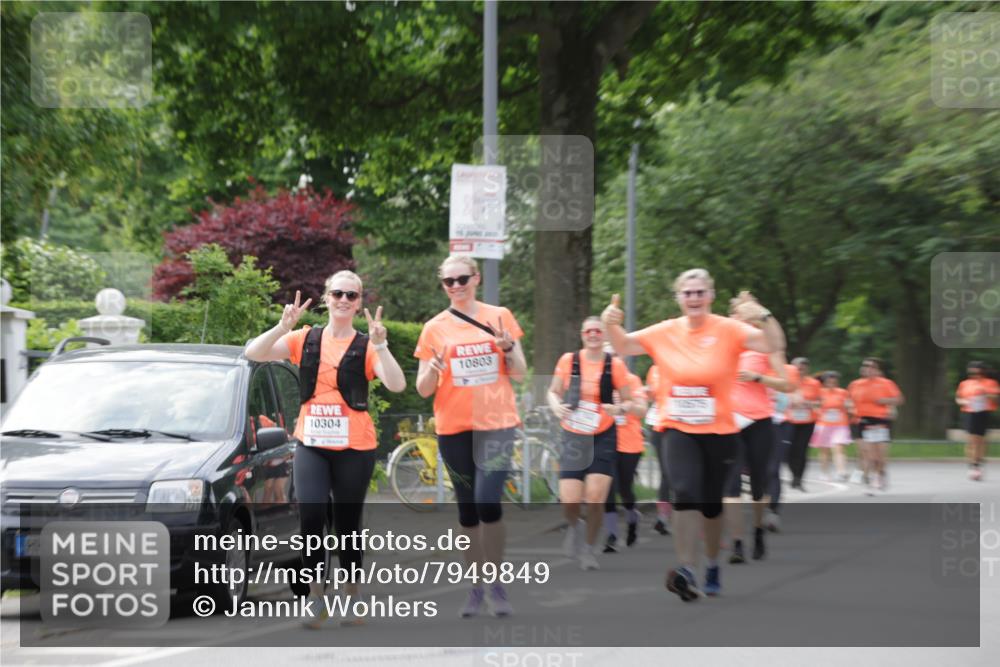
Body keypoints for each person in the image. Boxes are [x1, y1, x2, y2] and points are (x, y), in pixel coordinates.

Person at [603, 269, 786, 600]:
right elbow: (623, 344)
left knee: (712, 506)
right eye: (687, 293)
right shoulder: (665, 330)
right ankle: (686, 568)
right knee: (685, 492)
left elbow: (774, 343)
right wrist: (610, 323)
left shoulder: (729, 329)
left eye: (700, 292)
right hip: (677, 427)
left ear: (711, 296)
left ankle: (712, 563)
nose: (694, 298)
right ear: (679, 298)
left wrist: (763, 314)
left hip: (719, 430)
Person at [245, 271, 406, 628]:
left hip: (355, 447)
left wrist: (381, 346)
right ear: (327, 298)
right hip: (312, 445)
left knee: (346, 525)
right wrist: (282, 326)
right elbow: (253, 353)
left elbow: (397, 384)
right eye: (338, 293)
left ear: (359, 302)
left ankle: (352, 595)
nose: (344, 300)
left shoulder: (366, 346)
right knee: (311, 517)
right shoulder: (305, 339)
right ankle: (317, 597)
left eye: (352, 295)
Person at [414, 255, 527, 617]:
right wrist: (432, 370)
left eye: (462, 278)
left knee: (487, 502)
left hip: (497, 423)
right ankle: (477, 585)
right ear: (443, 285)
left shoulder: (499, 316)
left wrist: (507, 350)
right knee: (467, 511)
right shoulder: (434, 328)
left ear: (476, 278)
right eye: (449, 281)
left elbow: (520, 372)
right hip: (454, 427)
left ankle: (496, 583)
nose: (456, 286)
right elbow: (422, 389)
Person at [547, 318, 634, 570]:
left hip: (603, 434)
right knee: (570, 500)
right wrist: (556, 406)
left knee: (596, 497)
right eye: (589, 331)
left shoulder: (614, 365)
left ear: (604, 334)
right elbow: (553, 391)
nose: (593, 334)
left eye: (598, 331)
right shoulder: (569, 360)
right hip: (574, 434)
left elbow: (628, 400)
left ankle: (587, 549)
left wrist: (619, 408)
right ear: (582, 334)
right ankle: (575, 526)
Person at [724, 303, 793, 563]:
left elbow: (787, 384)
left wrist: (757, 377)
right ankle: (737, 544)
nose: (735, 318)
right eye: (733, 314)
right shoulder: (720, 345)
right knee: (730, 484)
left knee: (758, 485)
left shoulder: (764, 346)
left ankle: (758, 531)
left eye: (740, 314)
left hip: (758, 421)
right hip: (728, 422)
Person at [600, 344, 649, 553]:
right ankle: (611, 535)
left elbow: (642, 411)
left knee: (625, 489)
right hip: (604, 441)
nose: (611, 359)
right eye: (607, 356)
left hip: (629, 443)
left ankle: (632, 518)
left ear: (623, 358)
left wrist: (623, 406)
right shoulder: (596, 381)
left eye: (615, 355)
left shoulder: (632, 380)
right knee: (608, 489)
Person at [849, 357, 904, 493]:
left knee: (880, 457)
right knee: (868, 455)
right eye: (865, 366)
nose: (868, 369)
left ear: (877, 370)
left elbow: (899, 399)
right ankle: (870, 480)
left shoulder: (886, 383)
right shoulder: (855, 384)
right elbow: (848, 401)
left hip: (881, 421)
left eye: (872, 367)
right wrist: (849, 407)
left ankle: (881, 473)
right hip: (863, 421)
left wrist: (885, 401)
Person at [764, 361, 800, 533]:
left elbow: (797, 395)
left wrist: (790, 396)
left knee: (773, 469)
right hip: (754, 423)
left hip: (781, 423)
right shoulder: (750, 364)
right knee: (759, 470)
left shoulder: (789, 370)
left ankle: (773, 512)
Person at [956, 361, 999, 481]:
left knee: (981, 440)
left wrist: (985, 393)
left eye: (977, 373)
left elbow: (996, 399)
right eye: (972, 373)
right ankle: (973, 466)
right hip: (969, 412)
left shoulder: (990, 383)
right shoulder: (964, 384)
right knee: (972, 440)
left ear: (983, 372)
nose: (975, 376)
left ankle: (978, 463)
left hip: (983, 412)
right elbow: (959, 399)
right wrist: (964, 402)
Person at [784, 357, 821, 491]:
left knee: (802, 450)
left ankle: (798, 478)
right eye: (798, 368)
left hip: (807, 421)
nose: (800, 370)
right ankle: (794, 473)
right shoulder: (785, 381)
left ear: (807, 369)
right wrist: (790, 402)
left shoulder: (814, 383)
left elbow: (819, 402)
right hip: (789, 421)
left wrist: (808, 403)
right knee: (788, 450)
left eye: (803, 367)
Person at [810, 371, 854, 481]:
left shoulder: (843, 392)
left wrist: (849, 406)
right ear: (825, 382)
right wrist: (817, 410)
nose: (832, 384)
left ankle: (841, 472)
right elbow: (813, 405)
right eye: (829, 381)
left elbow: (850, 406)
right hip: (823, 424)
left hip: (840, 424)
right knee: (824, 450)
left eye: (834, 382)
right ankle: (824, 472)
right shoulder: (819, 392)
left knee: (839, 448)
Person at [646, 365, 672, 535]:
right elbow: (653, 394)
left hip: (686, 423)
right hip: (659, 423)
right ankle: (662, 518)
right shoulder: (656, 369)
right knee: (667, 472)